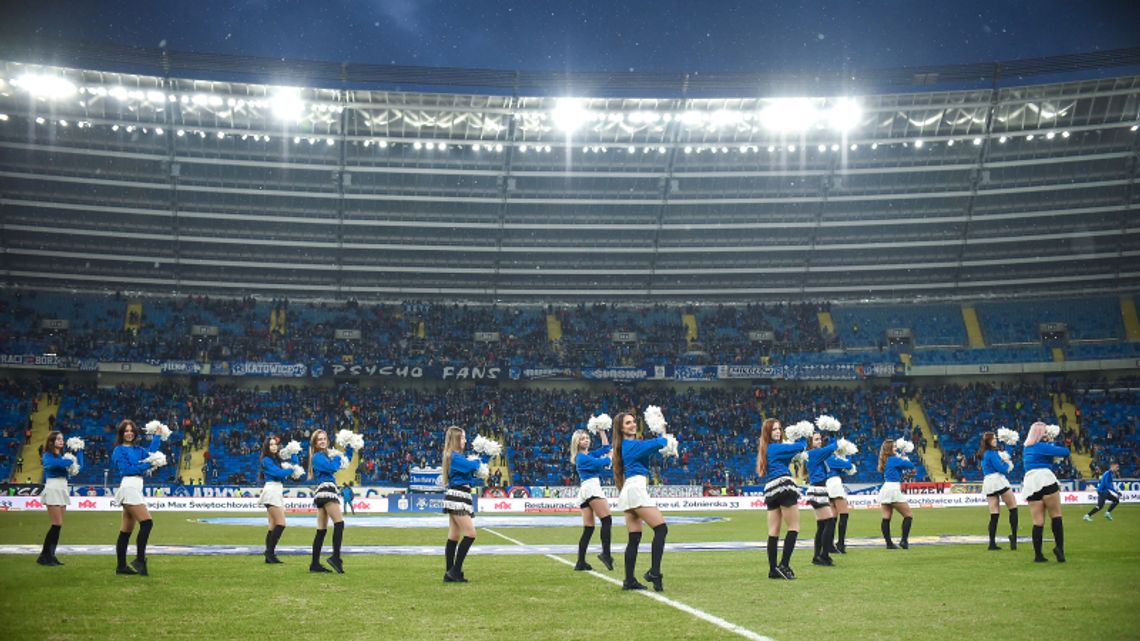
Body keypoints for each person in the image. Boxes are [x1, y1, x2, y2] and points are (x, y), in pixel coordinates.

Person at [612, 411, 671, 591]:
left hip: (630, 489)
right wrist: (662, 429)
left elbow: (654, 447)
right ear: (620, 428)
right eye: (628, 423)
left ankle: (629, 580)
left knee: (634, 537)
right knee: (661, 529)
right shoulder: (630, 444)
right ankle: (654, 572)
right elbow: (660, 443)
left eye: (633, 422)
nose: (633, 425)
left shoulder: (626, 445)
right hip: (636, 489)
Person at [111, 419, 163, 576]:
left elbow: (151, 453)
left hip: (136, 487)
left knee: (126, 530)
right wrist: (148, 464)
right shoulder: (119, 450)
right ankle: (140, 560)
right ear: (121, 433)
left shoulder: (139, 449)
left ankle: (121, 567)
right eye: (126, 431)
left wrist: (157, 436)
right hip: (129, 487)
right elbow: (126, 469)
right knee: (147, 523)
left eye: (131, 430)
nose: (129, 433)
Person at [757, 418, 806, 579]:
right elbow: (801, 446)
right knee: (793, 527)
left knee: (773, 532)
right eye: (774, 430)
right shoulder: (776, 448)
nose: (778, 431)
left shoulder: (767, 449)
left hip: (771, 490)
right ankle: (784, 565)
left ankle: (773, 569)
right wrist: (803, 434)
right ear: (768, 433)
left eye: (779, 428)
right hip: (784, 485)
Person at [441, 425, 487, 583]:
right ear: (456, 439)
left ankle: (450, 572)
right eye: (463, 438)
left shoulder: (454, 456)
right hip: (458, 497)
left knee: (454, 535)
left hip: (459, 495)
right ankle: (455, 571)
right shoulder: (454, 456)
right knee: (470, 533)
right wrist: (481, 457)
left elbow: (471, 472)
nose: (465, 441)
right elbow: (473, 466)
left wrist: (481, 458)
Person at [1022, 421, 1070, 562]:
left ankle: (1038, 555)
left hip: (1030, 483)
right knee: (1056, 515)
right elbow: (1065, 452)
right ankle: (1059, 548)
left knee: (1038, 521)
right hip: (1045, 479)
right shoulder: (1042, 446)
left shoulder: (1026, 448)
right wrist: (1052, 442)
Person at [307, 429, 353, 574]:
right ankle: (336, 557)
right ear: (314, 443)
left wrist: (349, 447)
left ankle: (314, 564)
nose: (322, 441)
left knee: (321, 530)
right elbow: (333, 467)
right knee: (339, 523)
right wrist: (338, 456)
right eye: (319, 439)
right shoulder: (317, 456)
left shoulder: (327, 455)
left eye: (324, 438)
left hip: (322, 493)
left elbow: (345, 462)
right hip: (326, 490)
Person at [570, 428, 614, 571]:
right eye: (582, 439)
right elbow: (600, 463)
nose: (586, 440)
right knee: (607, 520)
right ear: (577, 442)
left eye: (587, 437)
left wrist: (601, 430)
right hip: (591, 488)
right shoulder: (581, 457)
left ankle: (580, 562)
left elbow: (606, 447)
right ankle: (606, 554)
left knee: (589, 528)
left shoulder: (588, 454)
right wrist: (610, 457)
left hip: (585, 490)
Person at [38, 431, 82, 566]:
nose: (61, 441)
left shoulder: (62, 456)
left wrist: (79, 451)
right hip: (53, 488)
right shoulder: (47, 455)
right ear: (51, 442)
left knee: (58, 525)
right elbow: (55, 465)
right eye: (58, 439)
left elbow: (80, 467)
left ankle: (49, 555)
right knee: (56, 524)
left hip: (63, 488)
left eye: (62, 439)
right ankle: (46, 556)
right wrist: (70, 460)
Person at [259, 436, 302, 564]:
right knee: (281, 523)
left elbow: (294, 465)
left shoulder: (276, 459)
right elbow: (279, 473)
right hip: (271, 491)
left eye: (275, 444)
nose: (273, 446)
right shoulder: (266, 460)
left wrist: (294, 453)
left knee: (272, 525)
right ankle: (269, 552)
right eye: (271, 444)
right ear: (266, 447)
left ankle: (269, 555)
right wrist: (291, 470)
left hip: (276, 490)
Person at [977, 431, 1018, 550]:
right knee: (1013, 508)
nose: (996, 440)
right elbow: (1001, 468)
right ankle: (1014, 538)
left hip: (988, 483)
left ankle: (992, 543)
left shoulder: (983, 453)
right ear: (989, 441)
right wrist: (1008, 465)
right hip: (998, 480)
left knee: (994, 514)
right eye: (994, 439)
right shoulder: (992, 452)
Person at [804, 431, 838, 566]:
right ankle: (824, 555)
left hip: (818, 489)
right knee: (829, 522)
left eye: (820, 439)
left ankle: (817, 556)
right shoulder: (814, 453)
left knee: (822, 525)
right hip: (818, 489)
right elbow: (833, 447)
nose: (819, 441)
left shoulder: (814, 454)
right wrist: (832, 434)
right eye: (816, 439)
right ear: (810, 443)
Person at [877, 439, 915, 549]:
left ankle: (889, 544)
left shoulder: (886, 459)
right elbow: (910, 465)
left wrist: (901, 457)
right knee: (908, 515)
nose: (895, 448)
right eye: (894, 447)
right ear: (889, 449)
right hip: (893, 488)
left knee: (886, 517)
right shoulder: (894, 459)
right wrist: (904, 457)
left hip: (885, 488)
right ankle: (904, 540)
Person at [824, 444, 856, 554]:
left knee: (833, 515)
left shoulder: (825, 457)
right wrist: (849, 453)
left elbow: (840, 469)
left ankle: (829, 544)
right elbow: (848, 465)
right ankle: (841, 544)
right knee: (844, 514)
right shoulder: (831, 458)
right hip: (835, 483)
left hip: (828, 484)